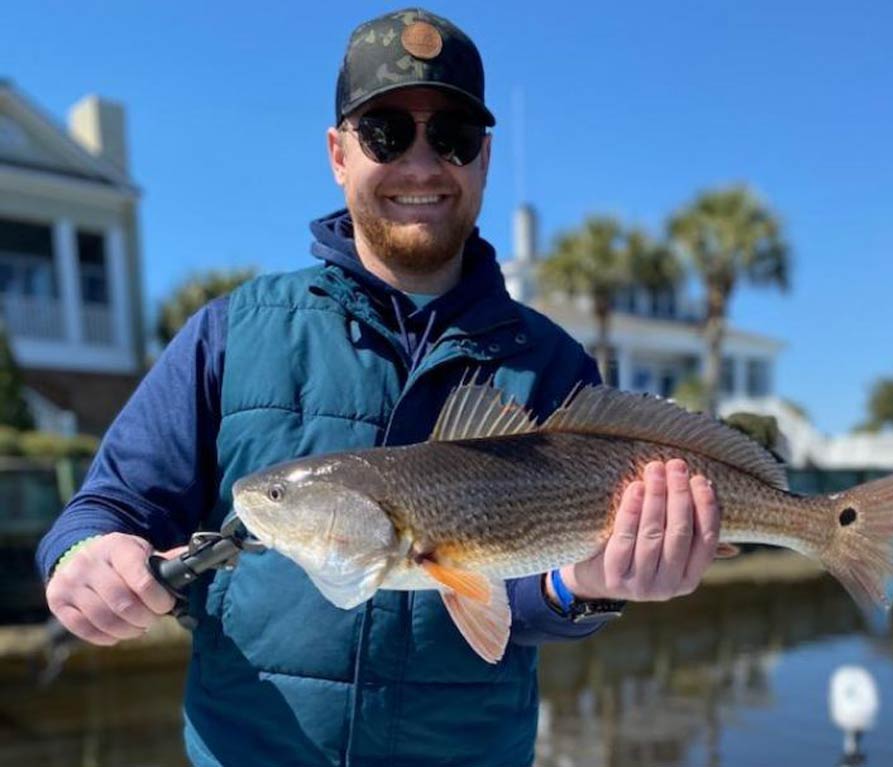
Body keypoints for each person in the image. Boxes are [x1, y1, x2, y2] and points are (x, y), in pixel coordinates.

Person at [37, 8, 721, 766]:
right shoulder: (231, 332)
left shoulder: (555, 364)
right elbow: (111, 502)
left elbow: (517, 596)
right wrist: (85, 554)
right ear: (338, 152)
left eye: (453, 136)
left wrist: (584, 587)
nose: (423, 165)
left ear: (484, 158)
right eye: (387, 132)